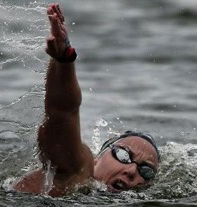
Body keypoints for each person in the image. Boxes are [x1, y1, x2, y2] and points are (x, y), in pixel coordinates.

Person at [13, 3, 160, 197]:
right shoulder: (77, 173)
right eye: (123, 155)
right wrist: (64, 61)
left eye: (146, 171)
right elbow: (63, 113)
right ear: (99, 158)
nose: (132, 171)